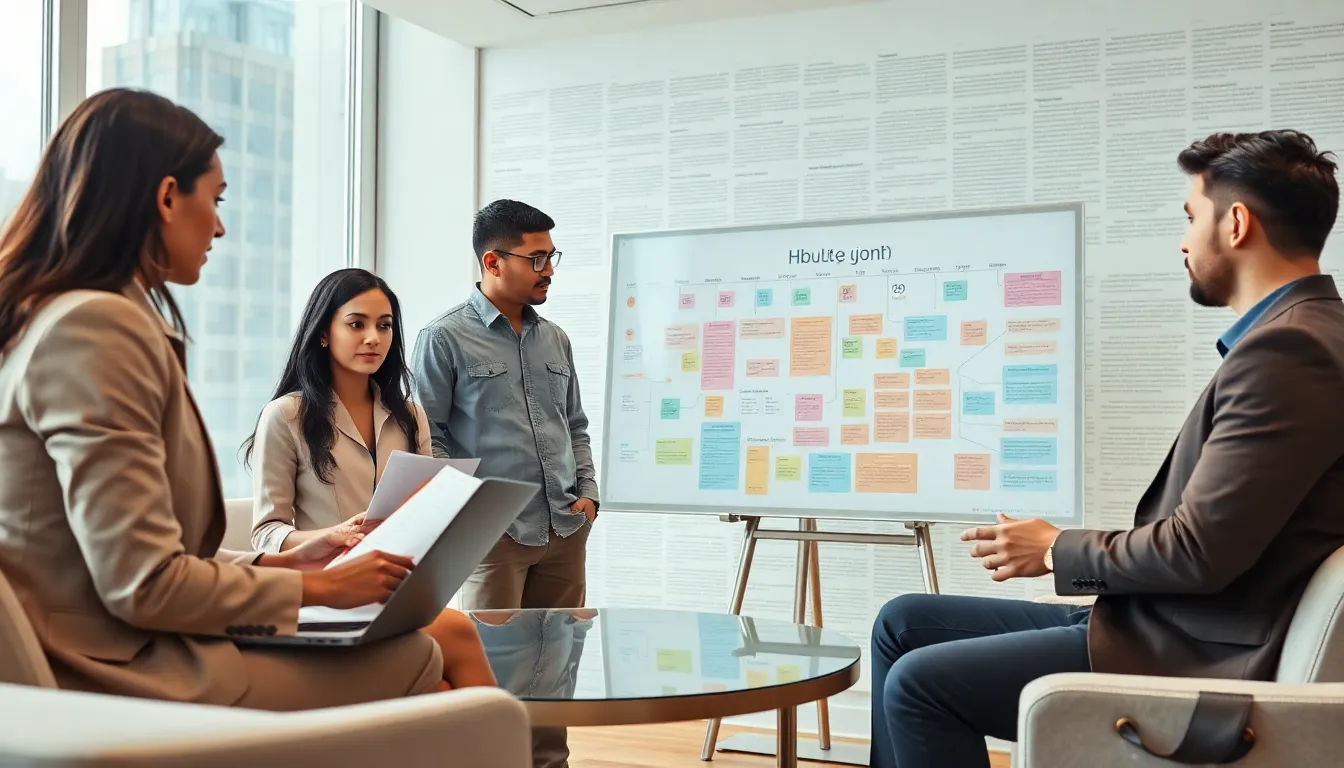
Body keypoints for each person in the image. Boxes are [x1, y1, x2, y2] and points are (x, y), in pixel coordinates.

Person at [869, 129, 1344, 768]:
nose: (1182, 240)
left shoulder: (1289, 352)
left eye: (1189, 216)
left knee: (922, 683)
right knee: (900, 622)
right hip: (1166, 621)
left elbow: (1200, 553)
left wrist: (1054, 548)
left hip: (1190, 652)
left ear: (1235, 223)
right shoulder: (1299, 337)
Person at [0, 87, 454, 709]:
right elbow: (145, 584)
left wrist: (292, 566)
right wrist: (323, 590)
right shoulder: (97, 328)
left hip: (108, 641)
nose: (220, 224)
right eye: (214, 201)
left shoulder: (50, 316)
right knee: (422, 656)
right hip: (105, 669)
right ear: (165, 198)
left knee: (432, 652)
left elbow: (146, 559)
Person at [242, 267, 496, 690]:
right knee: (456, 636)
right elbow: (265, 534)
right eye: (356, 324)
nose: (373, 338)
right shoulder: (286, 416)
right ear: (324, 333)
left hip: (397, 593)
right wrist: (334, 534)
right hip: (325, 594)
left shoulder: (410, 416)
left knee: (442, 689)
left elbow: (427, 510)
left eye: (384, 326)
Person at [409, 198, 597, 767]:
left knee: (558, 665)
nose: (549, 269)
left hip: (565, 527)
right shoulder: (443, 338)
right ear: (493, 261)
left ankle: (550, 763)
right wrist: (467, 515)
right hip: (494, 536)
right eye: (537, 258)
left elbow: (576, 425)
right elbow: (427, 436)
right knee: (493, 670)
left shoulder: (555, 339)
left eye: (551, 256)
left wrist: (588, 496)